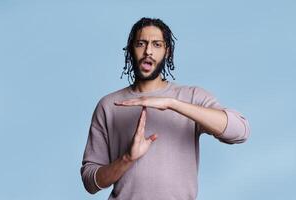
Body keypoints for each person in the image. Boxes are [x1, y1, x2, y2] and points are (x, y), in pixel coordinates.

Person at [80, 17, 250, 200]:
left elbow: (239, 131)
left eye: (157, 44)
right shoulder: (108, 105)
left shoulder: (191, 97)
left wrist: (173, 104)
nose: (148, 51)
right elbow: (90, 182)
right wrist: (127, 159)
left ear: (167, 52)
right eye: (141, 43)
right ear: (131, 49)